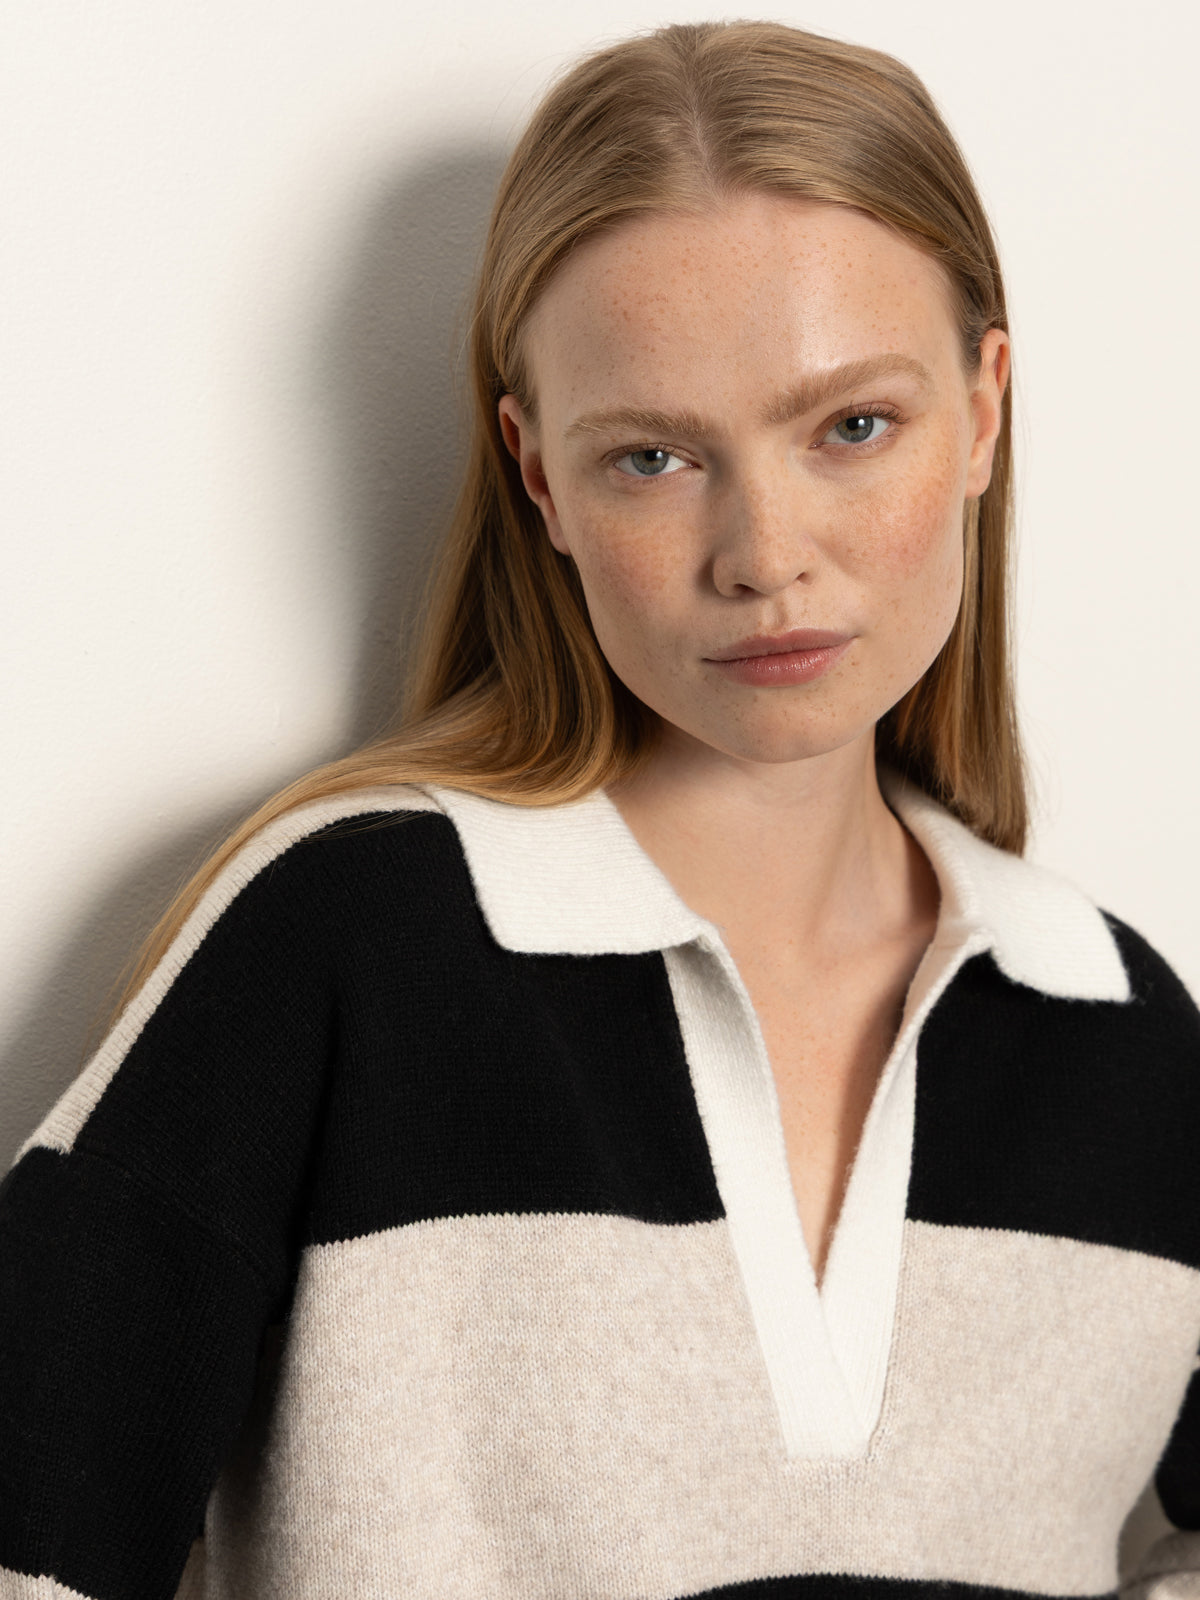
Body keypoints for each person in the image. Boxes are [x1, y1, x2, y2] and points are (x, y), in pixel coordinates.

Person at [1, 18, 1198, 1600]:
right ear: (538, 478)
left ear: (982, 410)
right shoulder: (353, 937)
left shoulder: (1115, 1024)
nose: (764, 550)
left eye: (853, 425)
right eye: (652, 457)